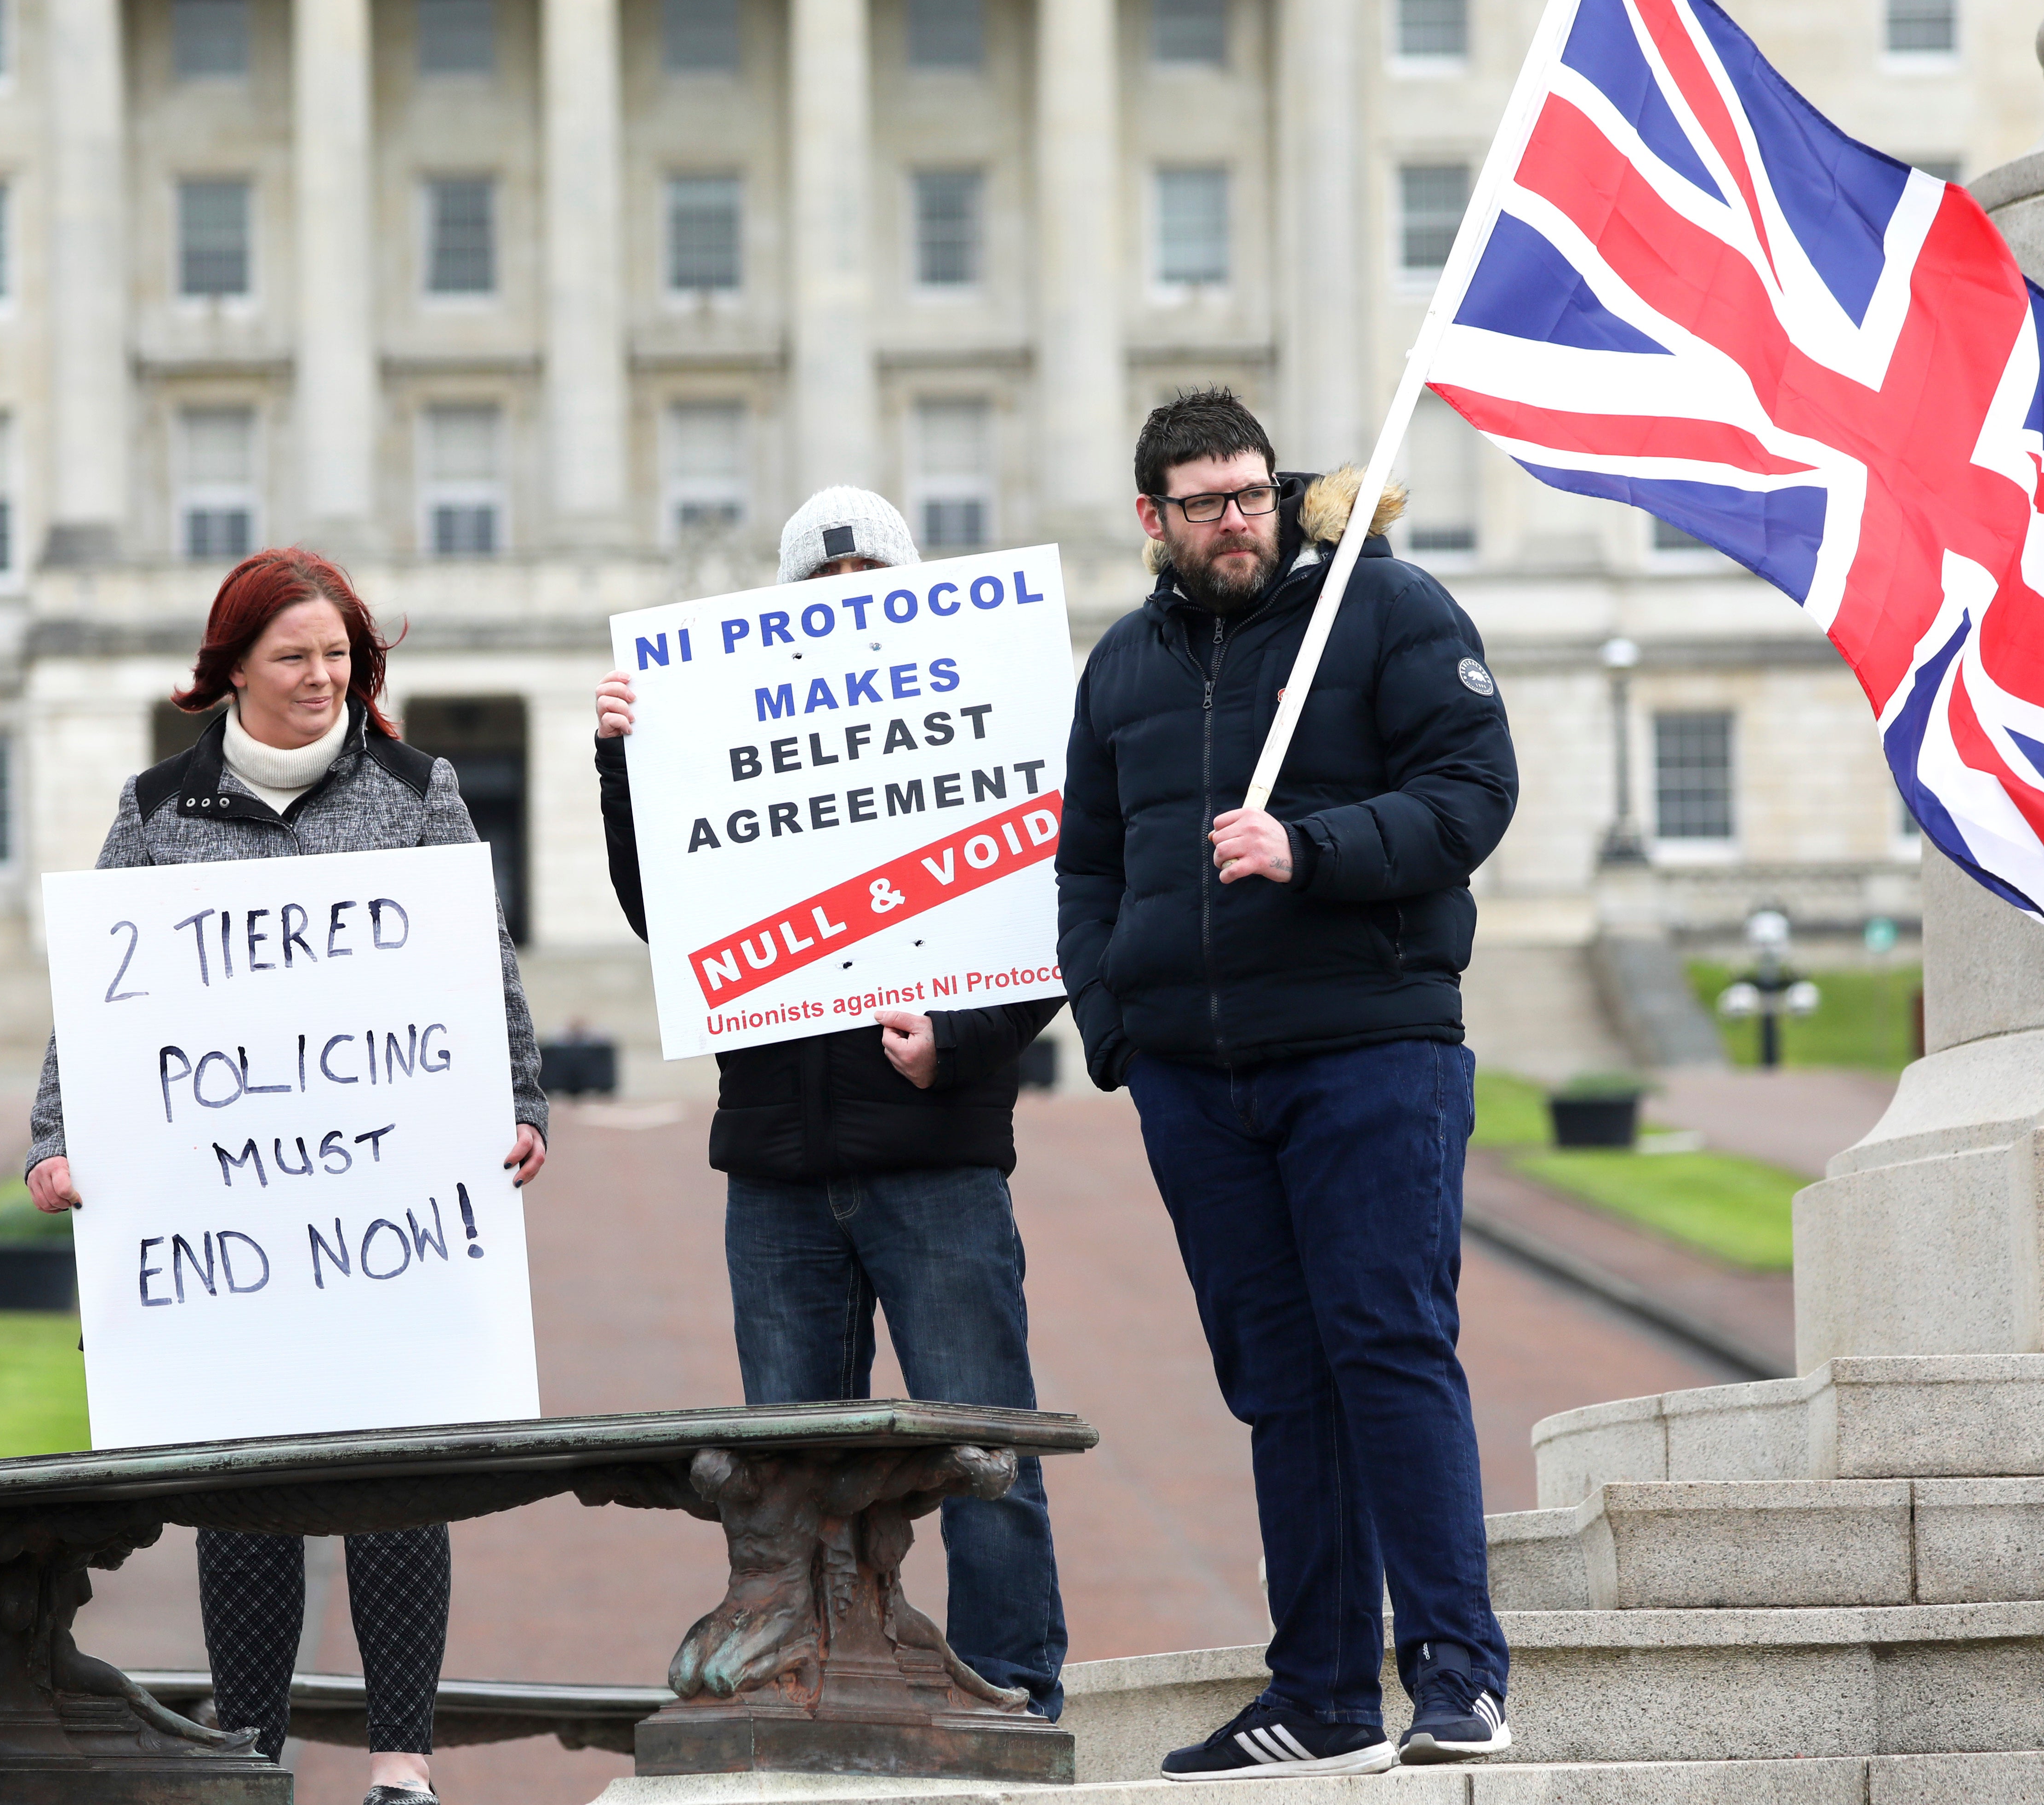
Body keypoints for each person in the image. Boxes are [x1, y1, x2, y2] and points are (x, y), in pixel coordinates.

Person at [23, 547, 550, 1805]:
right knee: (245, 1489)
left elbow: (484, 968)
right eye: (296, 657)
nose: (324, 679)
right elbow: (93, 1002)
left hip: (387, 1208)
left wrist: (520, 1100)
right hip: (229, 1225)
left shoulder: (420, 787)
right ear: (233, 671)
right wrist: (55, 1131)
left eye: (341, 656)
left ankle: (401, 1766)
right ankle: (253, 1757)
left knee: (396, 1476)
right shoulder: (156, 811)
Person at [1055, 390, 1520, 1774]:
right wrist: (1115, 1023)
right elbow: (1083, 860)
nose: (1236, 521)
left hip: (1370, 1048)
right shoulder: (1120, 667)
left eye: (1252, 493)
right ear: (1154, 518)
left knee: (1386, 1344)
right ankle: (1320, 1694)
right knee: (1278, 1381)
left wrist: (1308, 848)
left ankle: (1459, 1675)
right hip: (1200, 1079)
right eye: (1203, 503)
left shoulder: (1387, 611)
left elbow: (1471, 795)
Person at [591, 486, 1071, 1715]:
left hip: (935, 1149)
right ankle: (811, 1675)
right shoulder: (726, 718)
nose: (849, 594)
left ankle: (1019, 1679)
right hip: (778, 1158)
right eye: (827, 578)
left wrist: (957, 1043)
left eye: (870, 575)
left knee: (986, 1441)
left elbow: (1048, 929)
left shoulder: (986, 714)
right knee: (787, 1463)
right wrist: (622, 763)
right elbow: (669, 916)